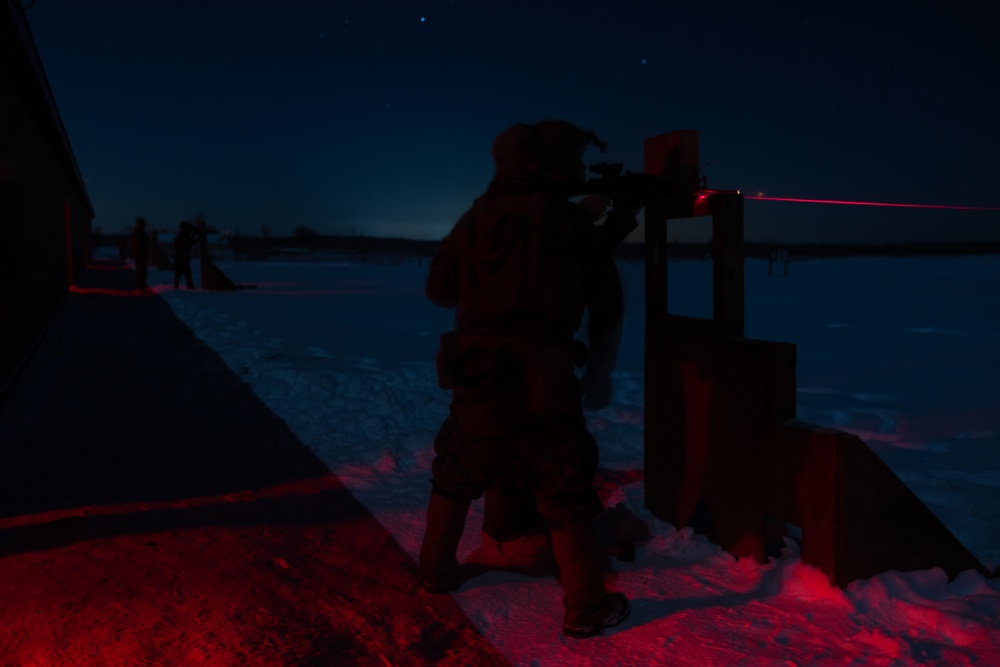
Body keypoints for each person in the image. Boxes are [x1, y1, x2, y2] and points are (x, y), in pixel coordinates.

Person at [419, 121, 633, 638]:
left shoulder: (476, 218)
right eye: (572, 161)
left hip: (477, 376)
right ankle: (586, 608)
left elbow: (439, 292)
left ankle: (435, 572)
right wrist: (600, 373)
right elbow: (607, 304)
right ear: (542, 164)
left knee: (456, 470)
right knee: (564, 485)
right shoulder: (566, 221)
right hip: (543, 378)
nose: (580, 170)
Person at [173, 221, 201, 289]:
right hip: (181, 256)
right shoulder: (183, 235)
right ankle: (187, 285)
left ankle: (185, 285)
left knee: (183, 272)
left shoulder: (182, 235)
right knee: (183, 272)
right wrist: (198, 235)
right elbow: (190, 242)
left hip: (181, 256)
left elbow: (190, 241)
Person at [129, 217, 150, 291]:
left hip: (140, 254)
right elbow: (136, 244)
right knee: (142, 271)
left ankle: (141, 286)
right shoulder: (138, 233)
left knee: (142, 271)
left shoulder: (138, 233)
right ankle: (140, 287)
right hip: (140, 255)